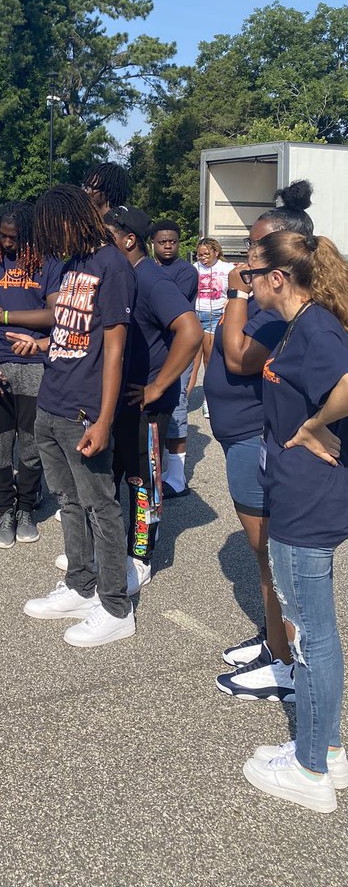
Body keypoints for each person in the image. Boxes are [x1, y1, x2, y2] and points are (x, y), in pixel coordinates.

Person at [238, 228, 348, 814]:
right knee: (316, 630)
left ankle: (309, 769)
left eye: (252, 274)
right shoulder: (299, 324)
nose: (246, 281)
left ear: (277, 279)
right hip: (299, 494)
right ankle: (326, 749)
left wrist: (312, 426)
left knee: (310, 634)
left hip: (307, 502)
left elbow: (346, 383)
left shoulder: (316, 327)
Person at [205, 182, 314, 703]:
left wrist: (236, 294)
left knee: (271, 556)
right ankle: (275, 642)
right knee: (264, 558)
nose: (246, 255)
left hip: (255, 437)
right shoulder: (266, 301)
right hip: (237, 436)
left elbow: (238, 358)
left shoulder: (276, 307)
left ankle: (287, 663)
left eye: (255, 246)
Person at [15, 186, 135, 648]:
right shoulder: (70, 267)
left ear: (73, 219)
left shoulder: (112, 266)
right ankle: (81, 586)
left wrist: (104, 420)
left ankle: (115, 607)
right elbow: (72, 333)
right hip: (51, 401)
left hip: (84, 411)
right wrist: (42, 344)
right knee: (67, 501)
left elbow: (115, 350)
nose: (50, 240)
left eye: (52, 229)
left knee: (101, 507)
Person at [104, 206, 202, 594]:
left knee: (143, 483)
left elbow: (191, 331)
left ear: (129, 240)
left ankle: (141, 558)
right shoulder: (120, 276)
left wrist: (158, 386)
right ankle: (110, 549)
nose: (100, 243)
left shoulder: (152, 278)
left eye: (107, 236)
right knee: (111, 475)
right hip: (119, 399)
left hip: (146, 403)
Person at [0, 202, 60, 548]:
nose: (8, 243)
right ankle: (5, 510)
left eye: (15, 238)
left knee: (30, 446)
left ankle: (25, 509)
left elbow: (54, 314)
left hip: (36, 364)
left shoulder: (49, 263)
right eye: (3, 236)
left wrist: (6, 316)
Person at [150, 220, 199, 498]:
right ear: (152, 244)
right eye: (162, 241)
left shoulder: (186, 272)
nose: (168, 246)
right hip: (155, 348)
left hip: (178, 347)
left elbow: (166, 306)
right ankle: (160, 470)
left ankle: (178, 478)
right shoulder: (148, 267)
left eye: (173, 241)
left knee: (178, 406)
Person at [190, 236, 235, 417]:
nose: (202, 258)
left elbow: (237, 288)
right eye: (199, 255)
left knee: (209, 360)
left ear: (216, 252)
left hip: (215, 316)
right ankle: (183, 399)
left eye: (206, 254)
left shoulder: (227, 269)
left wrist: (230, 301)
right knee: (192, 361)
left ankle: (208, 400)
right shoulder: (194, 268)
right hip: (196, 315)